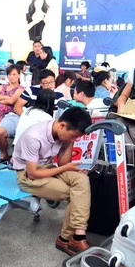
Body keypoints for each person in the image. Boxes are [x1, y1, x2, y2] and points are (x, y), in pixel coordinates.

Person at [12, 107, 93, 256]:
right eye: (73, 136)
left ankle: (79, 235)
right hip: (27, 175)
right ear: (62, 125)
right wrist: (67, 168)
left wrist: (69, 142)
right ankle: (64, 239)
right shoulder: (34, 136)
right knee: (73, 194)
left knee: (82, 179)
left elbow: (62, 163)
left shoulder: (62, 134)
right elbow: (33, 173)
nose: (73, 140)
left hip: (49, 168)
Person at [0, 69, 64, 161]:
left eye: (52, 82)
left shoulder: (59, 95)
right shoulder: (31, 90)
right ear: (41, 83)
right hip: (22, 116)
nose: (49, 86)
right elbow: (17, 107)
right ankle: (4, 153)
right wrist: (28, 119)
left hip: (47, 122)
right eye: (46, 83)